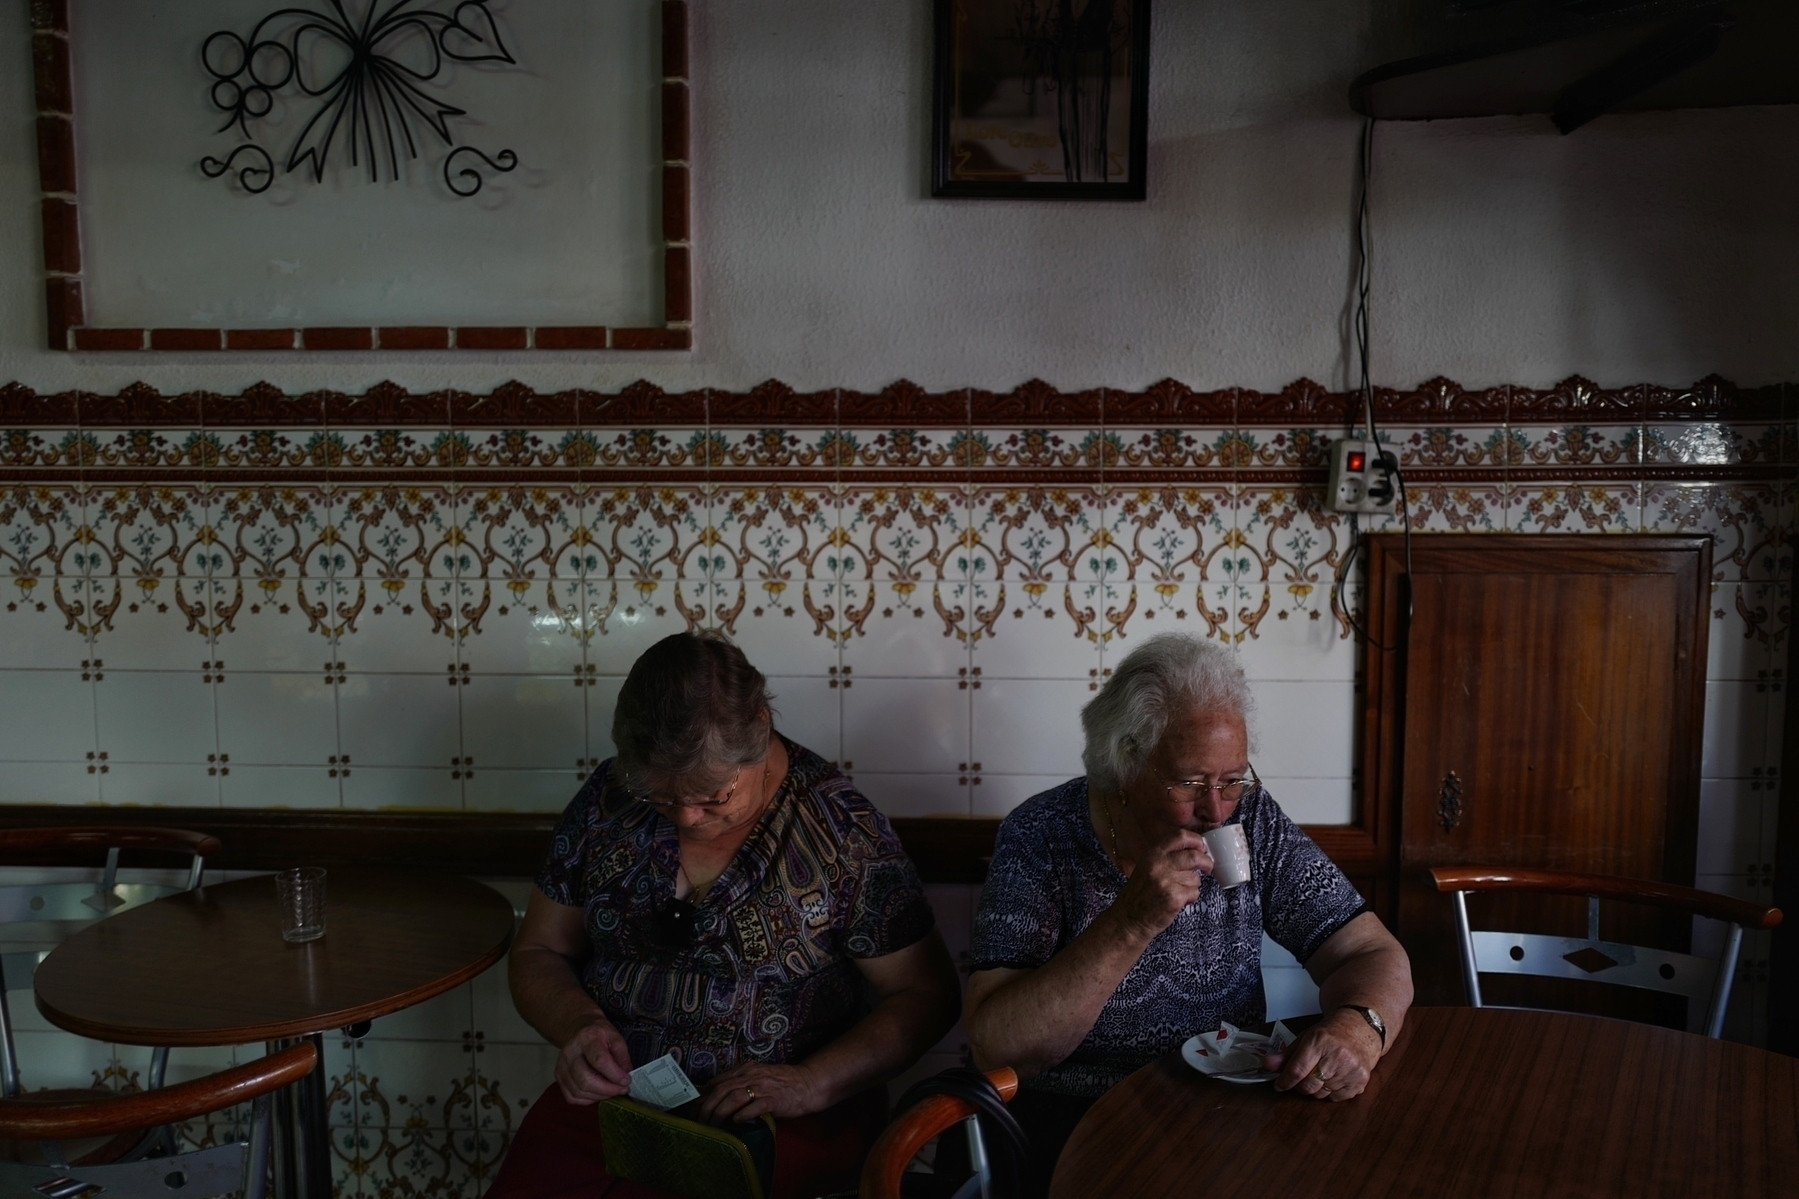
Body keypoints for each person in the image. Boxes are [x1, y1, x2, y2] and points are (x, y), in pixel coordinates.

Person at [490, 632, 961, 1199]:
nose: (687, 818)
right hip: (618, 1107)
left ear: (760, 729)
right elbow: (539, 950)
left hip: (778, 1119)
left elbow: (926, 996)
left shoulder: (842, 832)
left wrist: (809, 1084)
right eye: (661, 797)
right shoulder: (607, 801)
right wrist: (578, 1027)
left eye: (713, 795)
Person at [964, 632, 1413, 1175]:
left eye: (1232, 780)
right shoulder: (1041, 836)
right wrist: (1130, 923)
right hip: (1078, 1126)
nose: (1217, 810)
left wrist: (1360, 1029)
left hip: (1223, 1113)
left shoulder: (1252, 820)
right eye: (1190, 782)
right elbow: (998, 1046)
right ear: (1126, 764)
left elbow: (1369, 951)